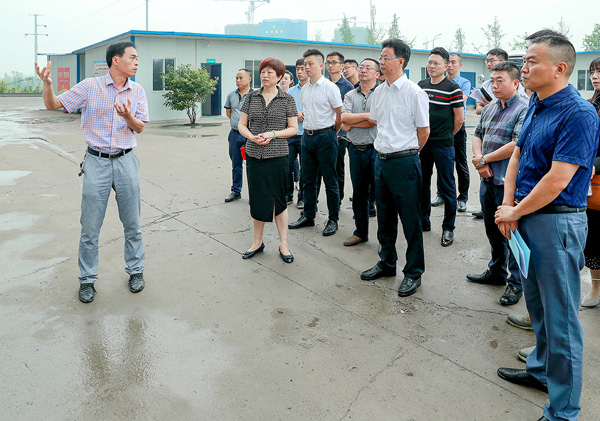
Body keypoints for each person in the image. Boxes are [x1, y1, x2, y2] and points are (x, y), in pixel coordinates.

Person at [495, 30, 600, 421]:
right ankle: (541, 371)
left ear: (559, 68)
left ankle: (564, 411)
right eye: (523, 60)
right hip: (525, 218)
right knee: (537, 307)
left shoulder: (579, 113)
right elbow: (518, 156)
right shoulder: (536, 104)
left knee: (561, 321)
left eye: (531, 61)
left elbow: (558, 179)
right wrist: (509, 205)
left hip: (557, 224)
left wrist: (516, 211)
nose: (523, 68)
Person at [35, 41, 149, 303]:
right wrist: (48, 85)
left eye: (137, 58)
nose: (137, 62)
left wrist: (128, 117)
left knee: (132, 223)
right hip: (96, 162)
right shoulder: (90, 87)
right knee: (90, 227)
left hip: (126, 161)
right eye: (132, 57)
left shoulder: (138, 90)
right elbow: (53, 105)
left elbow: (140, 127)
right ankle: (87, 280)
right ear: (116, 60)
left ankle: (136, 270)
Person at [360, 38, 430, 298]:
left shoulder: (414, 92)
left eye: (385, 57)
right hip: (382, 161)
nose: (381, 61)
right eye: (381, 56)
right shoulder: (379, 91)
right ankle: (387, 263)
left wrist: (409, 154)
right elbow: (376, 121)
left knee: (410, 220)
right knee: (385, 218)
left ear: (400, 61)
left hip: (405, 162)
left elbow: (424, 131)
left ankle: (413, 273)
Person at [466, 61, 528, 306]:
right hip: (487, 178)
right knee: (493, 230)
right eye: (492, 81)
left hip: (507, 183)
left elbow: (517, 145)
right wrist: (480, 163)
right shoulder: (490, 107)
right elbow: (477, 134)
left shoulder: (523, 109)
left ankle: (516, 284)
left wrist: (484, 159)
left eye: (499, 80)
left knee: (511, 232)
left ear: (515, 83)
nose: (494, 85)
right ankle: (496, 272)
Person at [238, 57, 299, 263]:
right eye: (263, 72)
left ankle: (284, 244)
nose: (264, 75)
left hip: (278, 156)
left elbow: (293, 129)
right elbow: (241, 125)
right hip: (254, 155)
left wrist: (272, 134)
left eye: (270, 72)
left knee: (279, 201)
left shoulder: (287, 100)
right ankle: (257, 242)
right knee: (257, 199)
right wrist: (251, 137)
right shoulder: (251, 97)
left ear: (280, 77)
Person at [288, 49, 342, 236]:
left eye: (310, 64)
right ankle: (308, 216)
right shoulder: (305, 89)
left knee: (330, 180)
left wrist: (330, 134)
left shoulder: (329, 87)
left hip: (326, 137)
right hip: (307, 138)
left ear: (320, 65)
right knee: (308, 180)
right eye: (305, 65)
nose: (307, 67)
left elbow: (339, 114)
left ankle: (333, 219)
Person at [418, 47, 464, 247]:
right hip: (423, 143)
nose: (431, 66)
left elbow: (459, 119)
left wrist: (445, 135)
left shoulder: (453, 88)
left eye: (436, 63)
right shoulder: (421, 85)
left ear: (446, 66)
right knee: (422, 183)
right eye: (429, 62)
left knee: (447, 185)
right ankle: (424, 220)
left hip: (444, 144)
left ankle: (448, 228)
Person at [340, 58, 380, 247]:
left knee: (381, 195)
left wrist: (353, 120)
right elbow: (344, 123)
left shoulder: (381, 94)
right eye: (361, 67)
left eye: (368, 68)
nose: (363, 70)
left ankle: (384, 239)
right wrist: (367, 117)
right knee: (359, 194)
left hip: (376, 150)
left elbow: (378, 121)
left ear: (377, 74)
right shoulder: (349, 95)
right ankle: (360, 232)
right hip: (355, 149)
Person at [432, 53, 472, 212]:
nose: (450, 65)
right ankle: (440, 194)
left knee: (460, 162)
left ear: (459, 66)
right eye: (448, 62)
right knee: (441, 163)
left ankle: (462, 197)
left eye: (453, 62)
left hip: (457, 126)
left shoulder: (464, 82)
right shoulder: (440, 81)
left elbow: (462, 99)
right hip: (441, 128)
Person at [581, 57, 600, 307]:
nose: (595, 76)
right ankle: (596, 286)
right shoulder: (589, 103)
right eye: (593, 72)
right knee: (594, 237)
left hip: (595, 171)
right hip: (591, 182)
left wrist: (595, 164)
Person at [326, 51, 354, 203]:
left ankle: (339, 196)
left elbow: (347, 111)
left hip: (340, 134)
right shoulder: (322, 83)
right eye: (328, 62)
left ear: (342, 66)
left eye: (334, 62)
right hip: (324, 131)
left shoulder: (347, 86)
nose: (330, 65)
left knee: (338, 167)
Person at [224, 69, 253, 202]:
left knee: (253, 165)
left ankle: (255, 193)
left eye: (241, 78)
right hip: (235, 135)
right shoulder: (231, 95)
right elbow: (229, 113)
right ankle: (236, 191)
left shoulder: (256, 95)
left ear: (249, 79)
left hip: (251, 136)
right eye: (236, 78)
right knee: (236, 164)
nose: (238, 80)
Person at [287, 59, 308, 209]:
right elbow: (285, 112)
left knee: (304, 168)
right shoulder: (291, 92)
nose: (299, 71)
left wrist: (304, 113)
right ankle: (288, 194)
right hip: (291, 134)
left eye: (302, 68)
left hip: (306, 134)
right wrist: (296, 113)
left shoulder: (313, 89)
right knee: (287, 165)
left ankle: (302, 197)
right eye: (297, 69)